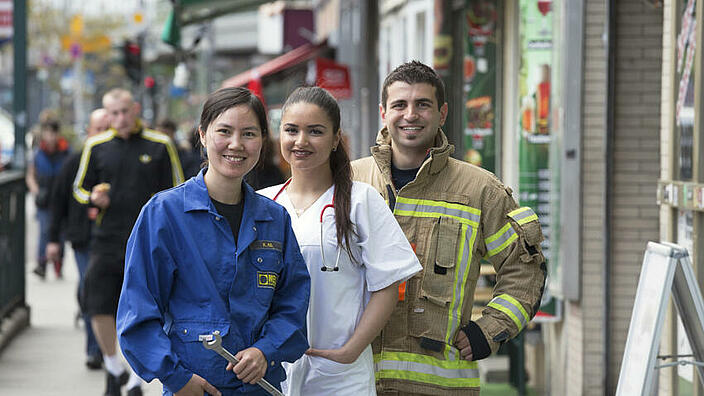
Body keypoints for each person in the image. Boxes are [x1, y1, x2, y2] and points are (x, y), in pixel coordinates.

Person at [351, 61, 547, 396]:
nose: (410, 114)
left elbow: (524, 269)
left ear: (442, 113)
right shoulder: (350, 181)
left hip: (439, 387)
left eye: (422, 104)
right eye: (400, 105)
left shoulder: (480, 189)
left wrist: (489, 329)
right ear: (384, 112)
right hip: (355, 381)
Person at [117, 87, 311, 396]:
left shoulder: (274, 219)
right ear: (203, 135)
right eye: (224, 131)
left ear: (262, 140)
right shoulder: (164, 214)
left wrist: (265, 350)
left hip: (260, 386)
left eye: (249, 133)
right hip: (193, 387)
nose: (236, 144)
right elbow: (137, 310)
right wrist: (176, 377)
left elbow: (293, 305)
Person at [259, 86, 421, 396]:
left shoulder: (361, 201)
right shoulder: (262, 204)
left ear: (336, 139)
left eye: (315, 131)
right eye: (291, 130)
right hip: (271, 369)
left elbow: (387, 286)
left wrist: (351, 349)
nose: (301, 141)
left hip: (339, 375)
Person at [73, 88, 184, 396]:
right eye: (113, 113)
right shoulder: (96, 145)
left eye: (125, 111)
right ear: (106, 114)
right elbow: (79, 188)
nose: (120, 119)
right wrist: (93, 196)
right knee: (95, 300)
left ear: (135, 109)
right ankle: (112, 365)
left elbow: (177, 189)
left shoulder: (160, 144)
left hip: (150, 241)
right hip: (107, 238)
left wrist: (158, 205)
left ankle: (136, 378)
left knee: (146, 309)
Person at [47, 108, 109, 369]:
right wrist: (52, 240)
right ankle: (96, 351)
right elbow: (58, 200)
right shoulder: (75, 162)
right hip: (85, 238)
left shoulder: (118, 157)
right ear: (90, 132)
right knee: (90, 290)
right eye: (100, 129)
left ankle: (110, 351)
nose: (105, 134)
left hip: (115, 238)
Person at [27, 116, 70, 279]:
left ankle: (59, 263)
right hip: (44, 199)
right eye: (47, 133)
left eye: (53, 133)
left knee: (61, 233)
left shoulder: (66, 151)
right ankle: (42, 264)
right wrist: (36, 190)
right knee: (44, 232)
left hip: (62, 199)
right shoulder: (38, 153)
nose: (50, 137)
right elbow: (30, 175)